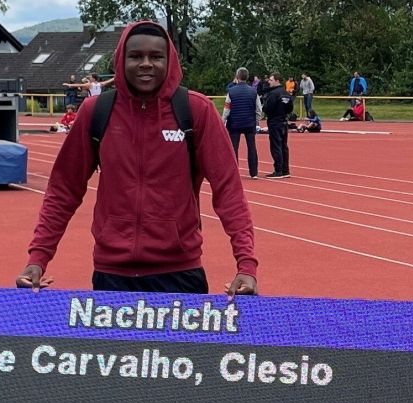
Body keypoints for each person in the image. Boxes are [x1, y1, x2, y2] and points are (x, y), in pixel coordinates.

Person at [17, 20, 258, 297]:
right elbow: (64, 189)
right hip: (112, 275)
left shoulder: (196, 110)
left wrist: (246, 264)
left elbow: (228, 190)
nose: (145, 64)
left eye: (156, 57)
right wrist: (38, 258)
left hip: (180, 273)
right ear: (121, 60)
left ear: (169, 61)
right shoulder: (97, 111)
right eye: (135, 56)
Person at [222, 67, 261, 180]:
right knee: (251, 147)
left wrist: (223, 121)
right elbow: (259, 109)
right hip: (249, 123)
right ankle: (254, 173)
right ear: (247, 77)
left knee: (234, 148)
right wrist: (256, 121)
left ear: (237, 77)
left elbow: (226, 109)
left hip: (234, 123)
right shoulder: (253, 91)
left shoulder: (231, 92)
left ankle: (234, 172)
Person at [261, 72, 293, 179]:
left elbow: (267, 108)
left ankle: (278, 170)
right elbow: (290, 108)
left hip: (275, 122)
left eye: (271, 80)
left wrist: (266, 109)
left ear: (277, 81)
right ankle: (285, 170)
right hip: (284, 121)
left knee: (276, 146)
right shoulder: (286, 93)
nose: (269, 82)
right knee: (284, 146)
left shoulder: (273, 94)